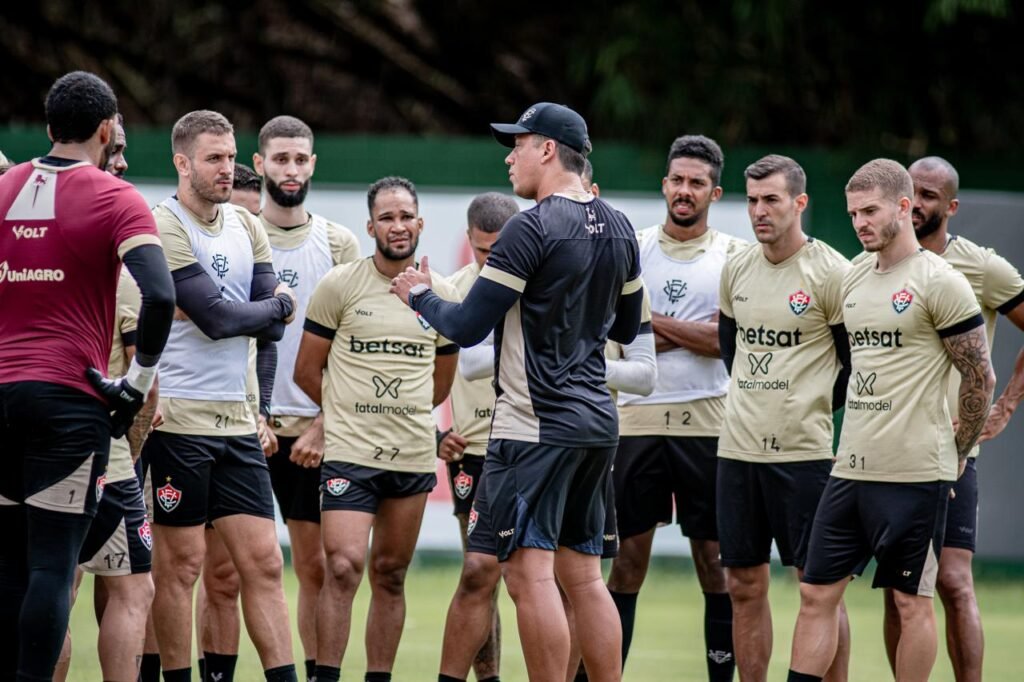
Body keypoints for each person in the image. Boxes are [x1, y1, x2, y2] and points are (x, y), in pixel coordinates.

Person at [391, 102, 643, 682]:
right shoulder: (620, 225)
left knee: (530, 575)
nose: (510, 158)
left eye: (519, 145)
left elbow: (464, 326)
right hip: (596, 424)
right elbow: (628, 328)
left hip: (533, 426)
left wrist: (419, 295)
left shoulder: (529, 227)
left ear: (548, 150)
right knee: (584, 578)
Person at [787, 159, 996, 682]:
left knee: (910, 601)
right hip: (851, 467)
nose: (860, 222)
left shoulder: (940, 281)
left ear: (903, 207)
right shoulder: (853, 275)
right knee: (815, 592)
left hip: (915, 472)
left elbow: (980, 376)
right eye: (853, 213)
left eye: (870, 211)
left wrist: (958, 453)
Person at [0, 70, 174, 680]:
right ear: (106, 130)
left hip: (2, 396)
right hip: (69, 402)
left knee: (9, 570)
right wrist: (136, 385)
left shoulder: (4, 187)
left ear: (49, 126)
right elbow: (160, 295)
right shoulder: (115, 196)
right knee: (51, 568)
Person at [143, 109, 299, 682]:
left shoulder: (245, 224)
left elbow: (268, 328)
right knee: (181, 567)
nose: (227, 168)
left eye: (231, 156)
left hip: (237, 421)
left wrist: (259, 312)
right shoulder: (163, 224)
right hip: (179, 420)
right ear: (182, 163)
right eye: (214, 158)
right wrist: (273, 305)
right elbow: (216, 320)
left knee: (264, 564)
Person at [294, 176, 460, 682]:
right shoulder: (340, 285)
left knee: (390, 574)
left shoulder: (442, 294)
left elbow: (439, 385)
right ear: (370, 227)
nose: (398, 225)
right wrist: (346, 414)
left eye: (406, 216)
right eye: (387, 217)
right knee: (343, 567)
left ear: (420, 222)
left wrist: (399, 412)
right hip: (350, 455)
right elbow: (307, 371)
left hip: (411, 455)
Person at [879, 156, 1024, 682]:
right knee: (897, 589)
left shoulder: (981, 267)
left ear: (952, 206)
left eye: (929, 195)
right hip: (889, 451)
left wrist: (1005, 404)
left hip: (953, 452)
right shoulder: (878, 261)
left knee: (954, 583)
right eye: (910, 192)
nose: (916, 204)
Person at [604, 134, 743, 680]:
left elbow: (725, 342)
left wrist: (649, 324)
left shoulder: (734, 255)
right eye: (678, 180)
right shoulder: (633, 248)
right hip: (636, 424)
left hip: (710, 427)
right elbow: (615, 337)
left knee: (716, 567)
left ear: (715, 192)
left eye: (697, 183)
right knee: (626, 564)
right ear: (665, 185)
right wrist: (693, 331)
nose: (686, 191)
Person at [717, 155, 851, 682]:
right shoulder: (737, 267)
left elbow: (853, 364)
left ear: (800, 203)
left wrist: (806, 402)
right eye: (752, 200)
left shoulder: (832, 272)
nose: (759, 211)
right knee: (743, 585)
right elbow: (731, 349)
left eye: (770, 200)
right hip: (738, 450)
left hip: (804, 454)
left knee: (819, 589)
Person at [257, 114, 361, 681]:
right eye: (280, 159)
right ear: (260, 164)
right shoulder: (237, 233)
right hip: (245, 430)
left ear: (313, 164)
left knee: (317, 568)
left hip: (313, 435)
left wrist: (324, 422)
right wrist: (252, 414)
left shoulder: (338, 242)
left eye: (300, 159)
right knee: (221, 574)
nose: (291, 169)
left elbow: (351, 346)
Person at [436, 192, 520, 682]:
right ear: (469, 239)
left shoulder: (541, 286)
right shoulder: (451, 292)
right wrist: (437, 432)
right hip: (475, 453)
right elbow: (420, 370)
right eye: (483, 250)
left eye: (501, 249)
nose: (492, 259)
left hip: (535, 445)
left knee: (549, 577)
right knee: (480, 574)